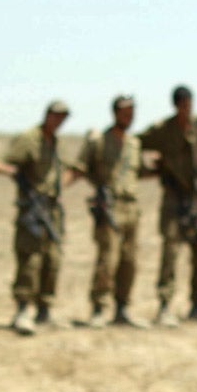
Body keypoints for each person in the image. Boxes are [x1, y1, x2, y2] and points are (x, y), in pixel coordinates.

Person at [140, 85, 197, 326]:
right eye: (182, 104)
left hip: (196, 198)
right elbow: (136, 143)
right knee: (171, 251)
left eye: (189, 104)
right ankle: (165, 305)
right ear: (176, 105)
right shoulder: (163, 130)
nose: (187, 108)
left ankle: (196, 304)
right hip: (174, 197)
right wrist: (152, 168)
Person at [74, 95, 144, 328]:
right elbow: (81, 168)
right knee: (108, 260)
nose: (129, 116)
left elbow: (140, 172)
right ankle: (99, 307)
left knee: (129, 260)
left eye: (132, 112)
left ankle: (122, 308)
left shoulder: (135, 144)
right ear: (115, 113)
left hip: (131, 206)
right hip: (110, 206)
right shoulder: (100, 141)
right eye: (124, 112)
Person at [8, 100, 72, 335]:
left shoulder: (57, 143)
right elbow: (9, 164)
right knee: (30, 259)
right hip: (33, 210)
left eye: (63, 117)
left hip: (52, 209)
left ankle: (45, 310)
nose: (58, 121)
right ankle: (23, 309)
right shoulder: (29, 139)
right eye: (55, 116)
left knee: (52, 259)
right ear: (47, 115)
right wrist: (27, 189)